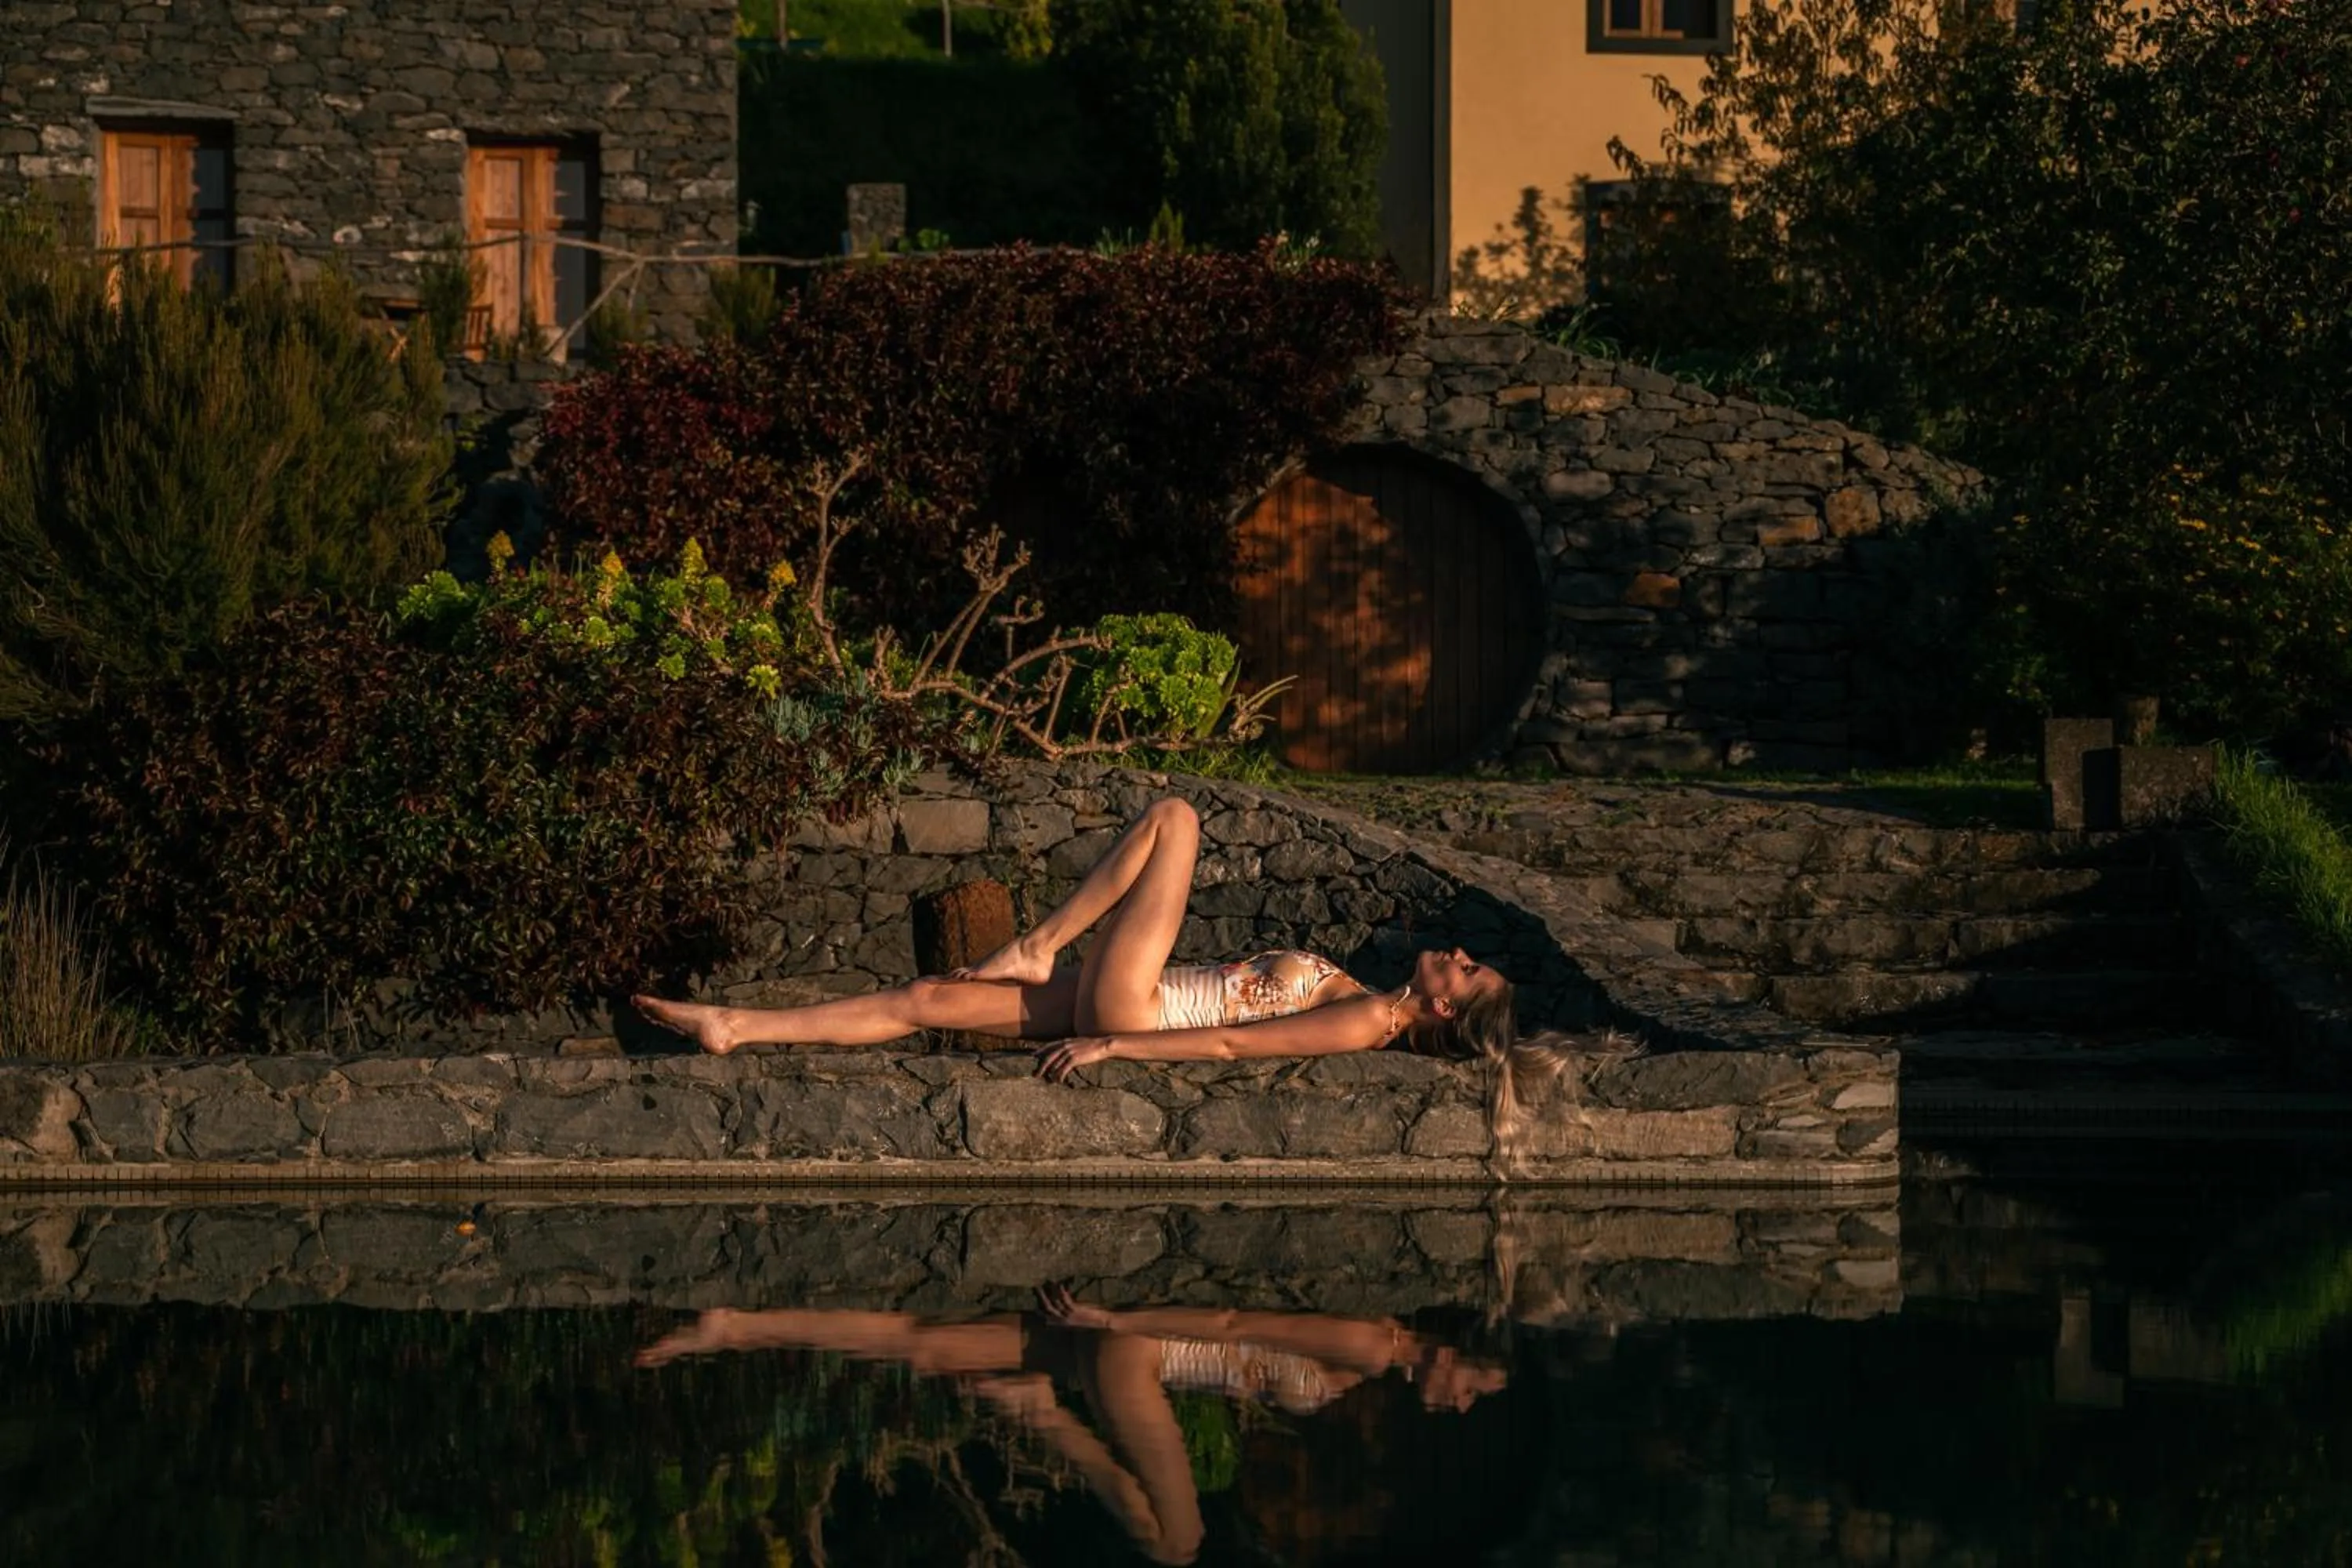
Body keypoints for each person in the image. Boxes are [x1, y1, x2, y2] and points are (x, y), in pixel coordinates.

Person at [634, 796, 1519, 1080]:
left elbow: (1226, 1043)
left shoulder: (1367, 1021)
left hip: (1138, 1007)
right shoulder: (1364, 994)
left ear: (1443, 1004)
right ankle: (736, 1025)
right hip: (1134, 995)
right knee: (926, 1001)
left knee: (1177, 816)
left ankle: (1039, 941)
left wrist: (1112, 1046)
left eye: (1467, 970)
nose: (1458, 953)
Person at [634, 1287, 1511, 1567]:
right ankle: (1045, 1414)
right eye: (1478, 1386)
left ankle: (737, 1325)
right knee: (1178, 1540)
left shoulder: (1367, 1362)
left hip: (1130, 1351)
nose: (1467, 1400)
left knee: (921, 1343)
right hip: (1134, 1348)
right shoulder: (1369, 1339)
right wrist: (1120, 1314)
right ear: (1456, 1348)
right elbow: (1236, 1323)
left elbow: (1246, 1349)